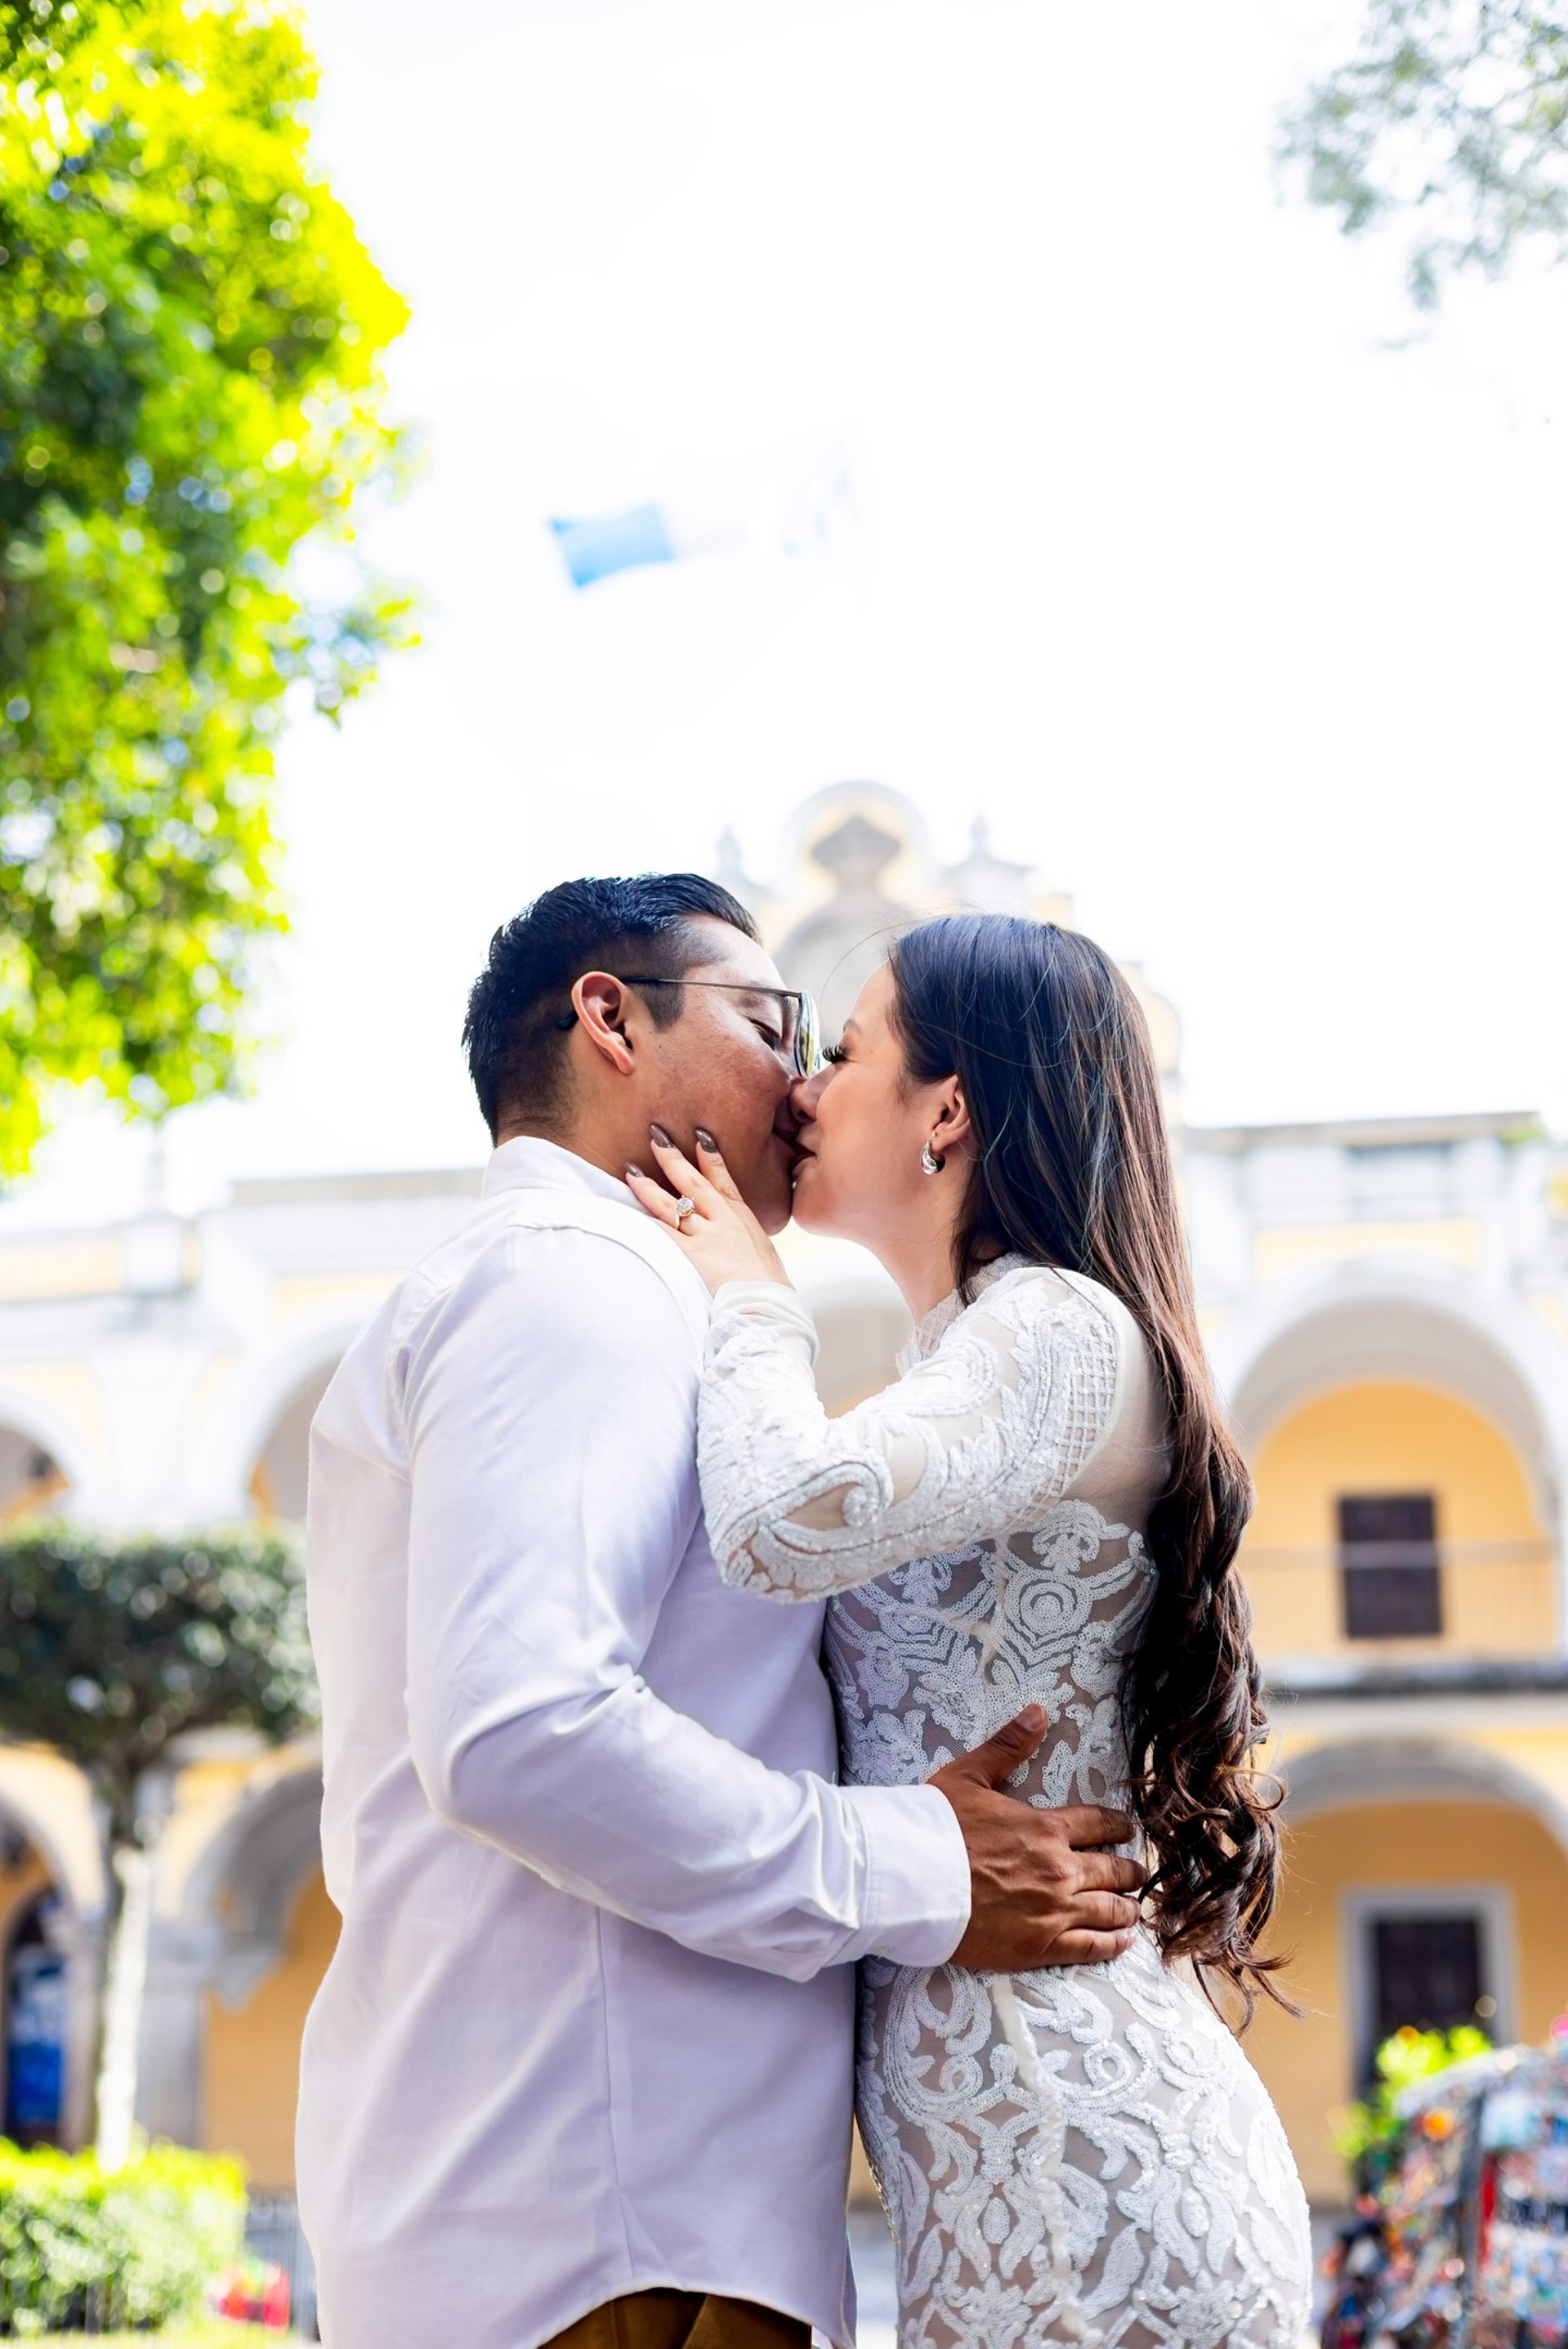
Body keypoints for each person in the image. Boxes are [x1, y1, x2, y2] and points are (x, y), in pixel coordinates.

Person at [295, 876, 1147, 2349]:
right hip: (606, 2214)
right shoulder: (581, 1279)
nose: (803, 1080)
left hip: (633, 2204)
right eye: (773, 1023)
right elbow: (523, 1729)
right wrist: (917, 1866)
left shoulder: (606, 1287)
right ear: (612, 1021)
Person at [627, 913, 1314, 2349]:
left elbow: (778, 1520)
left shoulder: (1056, 1326)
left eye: (848, 1051)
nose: (804, 1090)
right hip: (1002, 2176)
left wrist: (752, 1298)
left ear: (947, 1108)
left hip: (1090, 2184)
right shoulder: (976, 1351)